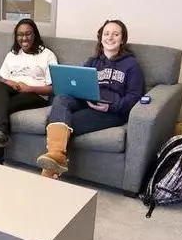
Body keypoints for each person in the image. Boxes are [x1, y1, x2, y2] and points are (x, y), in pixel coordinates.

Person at [37, 19, 145, 179]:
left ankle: (51, 168)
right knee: (61, 98)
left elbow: (135, 97)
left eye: (116, 34)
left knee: (63, 122)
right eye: (106, 33)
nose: (110, 37)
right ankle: (57, 156)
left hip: (111, 111)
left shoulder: (131, 65)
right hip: (87, 101)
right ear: (101, 38)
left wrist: (111, 107)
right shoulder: (92, 61)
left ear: (122, 39)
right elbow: (79, 83)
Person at [0, 19, 57, 171]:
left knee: (1, 110)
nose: (24, 38)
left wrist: (29, 88)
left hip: (36, 96)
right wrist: (10, 83)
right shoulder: (12, 54)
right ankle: (0, 135)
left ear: (35, 34)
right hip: (13, 91)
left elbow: (53, 88)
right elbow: (3, 78)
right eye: (20, 35)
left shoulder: (47, 55)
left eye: (28, 34)